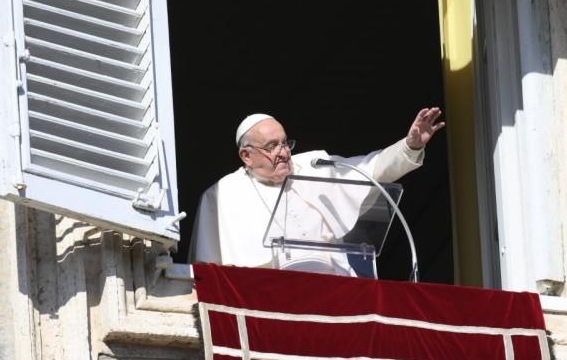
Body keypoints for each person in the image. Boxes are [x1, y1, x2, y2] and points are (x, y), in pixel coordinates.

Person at [188, 108, 445, 276]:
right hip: (270, 301)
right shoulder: (222, 195)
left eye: (285, 143)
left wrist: (409, 147)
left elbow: (373, 169)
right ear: (246, 155)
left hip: (334, 291)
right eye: (272, 146)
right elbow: (206, 272)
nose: (284, 152)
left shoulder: (313, 165)